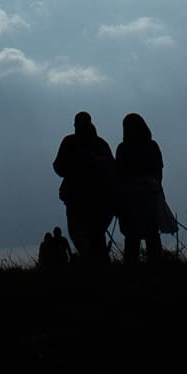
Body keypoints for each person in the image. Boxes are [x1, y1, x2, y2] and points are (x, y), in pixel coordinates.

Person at [52, 112, 117, 263]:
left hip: (79, 200)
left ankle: (92, 269)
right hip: (98, 201)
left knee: (82, 238)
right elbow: (112, 170)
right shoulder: (100, 144)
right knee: (96, 238)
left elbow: (58, 167)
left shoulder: (70, 142)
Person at [115, 113, 165, 265]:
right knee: (151, 235)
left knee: (132, 237)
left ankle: (132, 272)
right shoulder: (152, 146)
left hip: (131, 197)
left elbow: (118, 174)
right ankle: (156, 269)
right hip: (149, 194)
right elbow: (158, 172)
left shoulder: (123, 148)